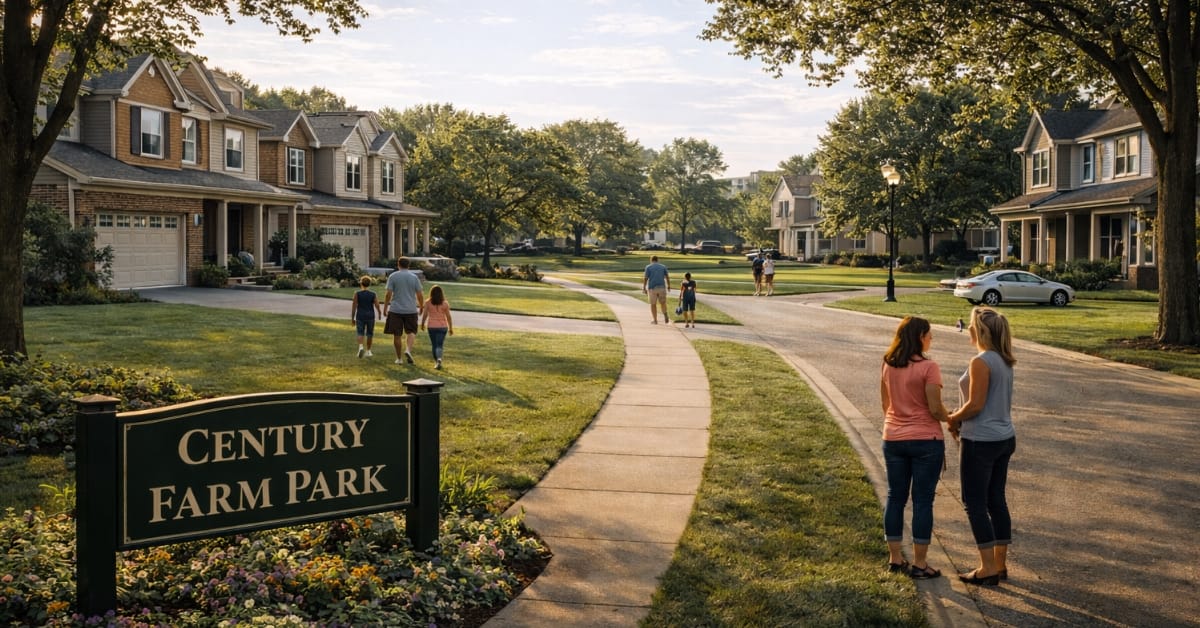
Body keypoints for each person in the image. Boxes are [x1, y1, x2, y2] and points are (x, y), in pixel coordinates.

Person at [948, 306, 1017, 586]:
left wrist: (952, 417)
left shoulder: (981, 361)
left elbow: (975, 406)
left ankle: (986, 568)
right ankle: (999, 564)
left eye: (970, 326)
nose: (967, 330)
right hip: (1004, 437)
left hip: (981, 440)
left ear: (980, 331)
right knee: (996, 500)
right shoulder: (1004, 360)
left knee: (974, 503)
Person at [880, 316, 951, 580]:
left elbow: (885, 403)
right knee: (922, 500)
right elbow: (935, 408)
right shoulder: (929, 367)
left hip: (893, 437)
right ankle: (920, 564)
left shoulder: (888, 363)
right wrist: (952, 417)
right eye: (930, 334)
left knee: (895, 497)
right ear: (920, 336)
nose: (931, 338)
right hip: (925, 441)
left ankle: (895, 558)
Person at [383, 257, 425, 365]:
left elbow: (388, 294)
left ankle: (399, 358)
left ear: (398, 264)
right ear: (408, 265)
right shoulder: (414, 277)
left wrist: (385, 307)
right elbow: (419, 294)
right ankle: (408, 350)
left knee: (397, 335)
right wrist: (421, 306)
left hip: (396, 309)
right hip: (410, 309)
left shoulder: (393, 276)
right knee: (411, 331)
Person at [419, 285, 453, 370]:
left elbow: (425, 314)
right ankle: (439, 360)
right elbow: (448, 317)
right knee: (439, 345)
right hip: (443, 327)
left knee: (434, 345)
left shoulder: (428, 302)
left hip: (432, 326)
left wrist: (422, 323)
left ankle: (437, 361)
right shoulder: (445, 303)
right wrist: (450, 328)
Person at [350, 276, 382, 358]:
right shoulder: (373, 294)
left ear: (361, 283)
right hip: (370, 316)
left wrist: (352, 318)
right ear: (369, 284)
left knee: (360, 332)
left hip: (360, 316)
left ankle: (360, 347)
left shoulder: (357, 294)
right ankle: (368, 351)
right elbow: (377, 305)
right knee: (370, 333)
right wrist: (379, 313)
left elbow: (354, 306)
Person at [642, 255, 671, 324]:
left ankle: (655, 320)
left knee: (653, 304)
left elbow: (646, 278)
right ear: (658, 260)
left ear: (651, 260)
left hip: (652, 288)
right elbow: (667, 277)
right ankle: (665, 314)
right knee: (663, 303)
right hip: (662, 287)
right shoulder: (663, 267)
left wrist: (644, 288)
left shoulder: (648, 267)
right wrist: (669, 286)